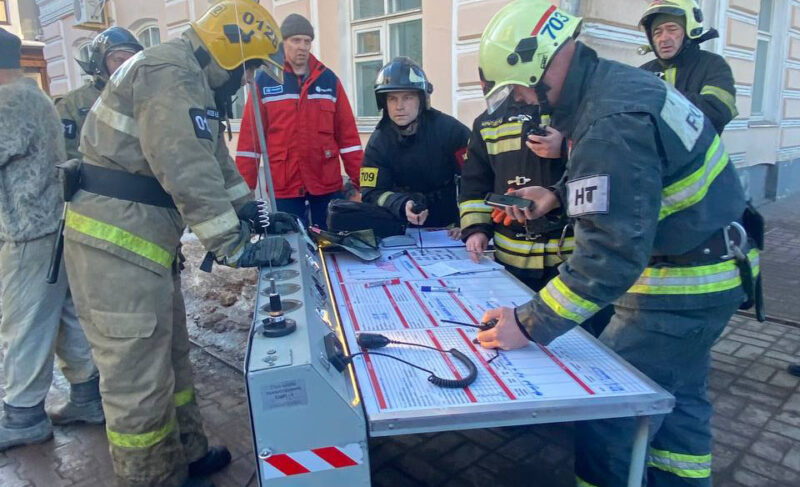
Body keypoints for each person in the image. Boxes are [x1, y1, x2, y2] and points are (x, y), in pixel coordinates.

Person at [475, 2, 760, 486]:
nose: (523, 99)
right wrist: (556, 195)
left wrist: (528, 322)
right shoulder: (614, 87)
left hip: (681, 288)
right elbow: (637, 184)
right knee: (678, 400)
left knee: (609, 411)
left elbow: (607, 258)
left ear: (542, 62)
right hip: (713, 266)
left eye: (519, 86)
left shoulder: (609, 117)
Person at [62, 2, 295, 486]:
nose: (246, 81)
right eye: (248, 69)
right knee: (137, 382)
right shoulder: (170, 74)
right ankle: (152, 479)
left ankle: (185, 454)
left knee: (170, 359)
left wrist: (251, 211)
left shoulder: (187, 77)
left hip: (137, 247)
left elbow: (211, 159)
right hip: (113, 252)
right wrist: (233, 244)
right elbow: (183, 167)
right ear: (228, 54)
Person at [0, 28, 102, 452]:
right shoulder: (33, 95)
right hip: (54, 224)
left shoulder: (10, 101)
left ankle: (23, 416)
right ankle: (87, 396)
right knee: (62, 316)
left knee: (22, 323)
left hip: (29, 230)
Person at [235, 13, 363, 229]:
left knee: (330, 244)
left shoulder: (329, 81)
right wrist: (243, 197)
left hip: (325, 184)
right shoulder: (264, 81)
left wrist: (363, 187)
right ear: (283, 43)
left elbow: (349, 141)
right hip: (284, 187)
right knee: (291, 246)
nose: (302, 47)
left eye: (307, 41)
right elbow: (250, 145)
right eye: (296, 40)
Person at [459, 80, 571, 292]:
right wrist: (476, 230)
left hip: (569, 256)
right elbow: (474, 185)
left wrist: (567, 149)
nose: (519, 96)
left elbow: (603, 165)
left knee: (577, 324)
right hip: (512, 260)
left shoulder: (574, 112)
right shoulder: (487, 122)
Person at [360, 57, 469, 230]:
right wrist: (402, 204)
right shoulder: (378, 142)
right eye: (392, 99)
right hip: (403, 229)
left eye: (407, 97)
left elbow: (476, 180)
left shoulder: (452, 132)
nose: (399, 106)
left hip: (451, 228)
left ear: (421, 99)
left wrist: (466, 224)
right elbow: (371, 192)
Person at [639, 0, 738, 134]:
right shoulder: (643, 72)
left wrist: (659, 97)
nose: (663, 38)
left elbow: (718, 110)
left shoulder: (712, 65)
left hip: (699, 154)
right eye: (657, 32)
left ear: (689, 30)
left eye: (672, 29)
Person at [56, 26, 142, 161]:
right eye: (119, 60)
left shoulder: (144, 96)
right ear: (100, 62)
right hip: (94, 177)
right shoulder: (73, 103)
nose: (127, 66)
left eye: (132, 60)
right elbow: (64, 153)